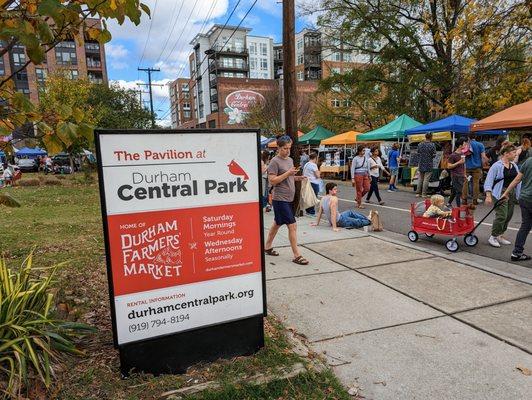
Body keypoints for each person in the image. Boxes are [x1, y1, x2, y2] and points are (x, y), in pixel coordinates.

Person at [264, 135, 309, 265]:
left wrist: (297, 178)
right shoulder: (274, 161)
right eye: (284, 148)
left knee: (277, 223)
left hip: (288, 198)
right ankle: (297, 255)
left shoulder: (289, 160)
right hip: (280, 198)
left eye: (289, 148)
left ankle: (267, 247)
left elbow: (287, 177)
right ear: (278, 147)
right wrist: (288, 174)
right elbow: (272, 180)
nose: (287, 151)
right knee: (292, 225)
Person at [484, 145, 521, 248]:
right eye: (513, 153)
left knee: (508, 216)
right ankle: (493, 236)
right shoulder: (496, 165)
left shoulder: (514, 165)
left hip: (511, 193)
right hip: (500, 193)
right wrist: (488, 195)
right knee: (502, 215)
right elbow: (489, 180)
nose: (515, 155)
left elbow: (518, 180)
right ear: (506, 153)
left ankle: (500, 235)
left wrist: (519, 194)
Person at [500, 156, 532, 261]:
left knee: (525, 226)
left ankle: (517, 252)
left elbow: (517, 179)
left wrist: (505, 193)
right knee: (525, 226)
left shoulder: (528, 161)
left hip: (524, 198)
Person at [463, 133, 489, 208]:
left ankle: (464, 199)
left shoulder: (466, 144)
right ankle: (475, 200)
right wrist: (487, 162)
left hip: (467, 167)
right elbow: (483, 156)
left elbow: (463, 155)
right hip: (477, 168)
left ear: (468, 137)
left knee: (466, 182)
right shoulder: (480, 145)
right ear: (476, 137)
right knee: (476, 183)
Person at [446, 137, 467, 207]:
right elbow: (449, 166)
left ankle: (448, 203)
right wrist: (458, 162)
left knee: (455, 190)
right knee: (459, 192)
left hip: (461, 175)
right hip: (455, 175)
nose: (466, 145)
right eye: (464, 143)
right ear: (460, 145)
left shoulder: (463, 154)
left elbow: (464, 165)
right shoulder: (453, 155)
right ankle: (459, 208)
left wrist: (465, 174)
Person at [416, 133, 436, 198]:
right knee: (426, 179)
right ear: (431, 137)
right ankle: (424, 194)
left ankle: (418, 193)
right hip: (429, 164)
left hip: (421, 163)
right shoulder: (432, 145)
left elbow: (418, 153)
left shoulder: (420, 144)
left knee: (420, 178)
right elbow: (434, 155)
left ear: (425, 137)